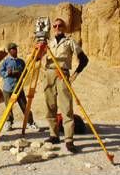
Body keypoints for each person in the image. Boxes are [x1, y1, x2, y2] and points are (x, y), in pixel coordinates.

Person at [43, 18, 89, 153]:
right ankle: (54, 135)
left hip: (62, 74)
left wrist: (73, 76)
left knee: (66, 108)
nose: (57, 27)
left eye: (60, 25)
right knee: (49, 106)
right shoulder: (48, 43)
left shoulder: (70, 42)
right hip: (48, 75)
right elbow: (39, 58)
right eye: (55, 25)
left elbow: (84, 60)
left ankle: (69, 140)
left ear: (64, 27)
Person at [0, 42, 39, 131]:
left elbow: (26, 72)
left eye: (16, 49)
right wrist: (7, 73)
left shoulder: (21, 61)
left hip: (19, 88)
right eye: (13, 49)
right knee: (8, 108)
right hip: (8, 88)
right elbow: (0, 72)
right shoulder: (6, 62)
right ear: (9, 51)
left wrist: (20, 73)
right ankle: (9, 123)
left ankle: (30, 122)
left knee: (25, 106)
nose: (15, 50)